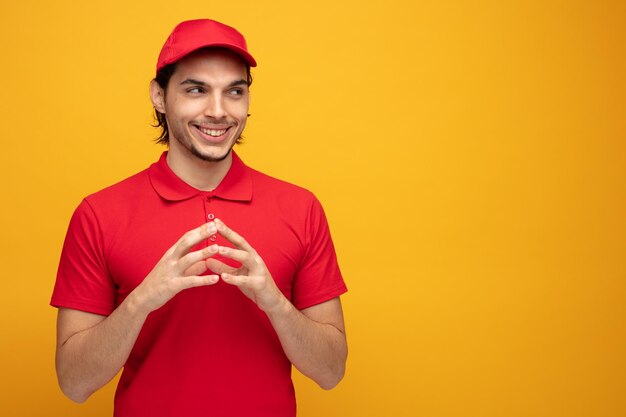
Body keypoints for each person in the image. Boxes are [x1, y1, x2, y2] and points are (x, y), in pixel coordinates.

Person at [51, 19, 347, 417]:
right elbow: (73, 383)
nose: (218, 111)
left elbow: (331, 372)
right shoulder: (99, 214)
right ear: (159, 96)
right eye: (196, 90)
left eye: (235, 92)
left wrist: (274, 302)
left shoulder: (300, 208)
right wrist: (142, 300)